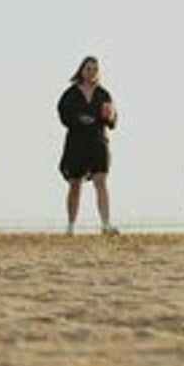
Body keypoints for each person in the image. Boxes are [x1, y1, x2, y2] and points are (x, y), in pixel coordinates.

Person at [57, 56, 119, 236]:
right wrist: (78, 119)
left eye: (94, 69)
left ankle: (106, 225)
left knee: (101, 181)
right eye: (88, 69)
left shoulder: (103, 93)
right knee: (75, 183)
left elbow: (113, 120)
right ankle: (70, 226)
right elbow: (63, 113)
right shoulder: (71, 93)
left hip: (98, 141)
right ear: (81, 71)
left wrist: (110, 118)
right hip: (77, 141)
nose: (91, 72)